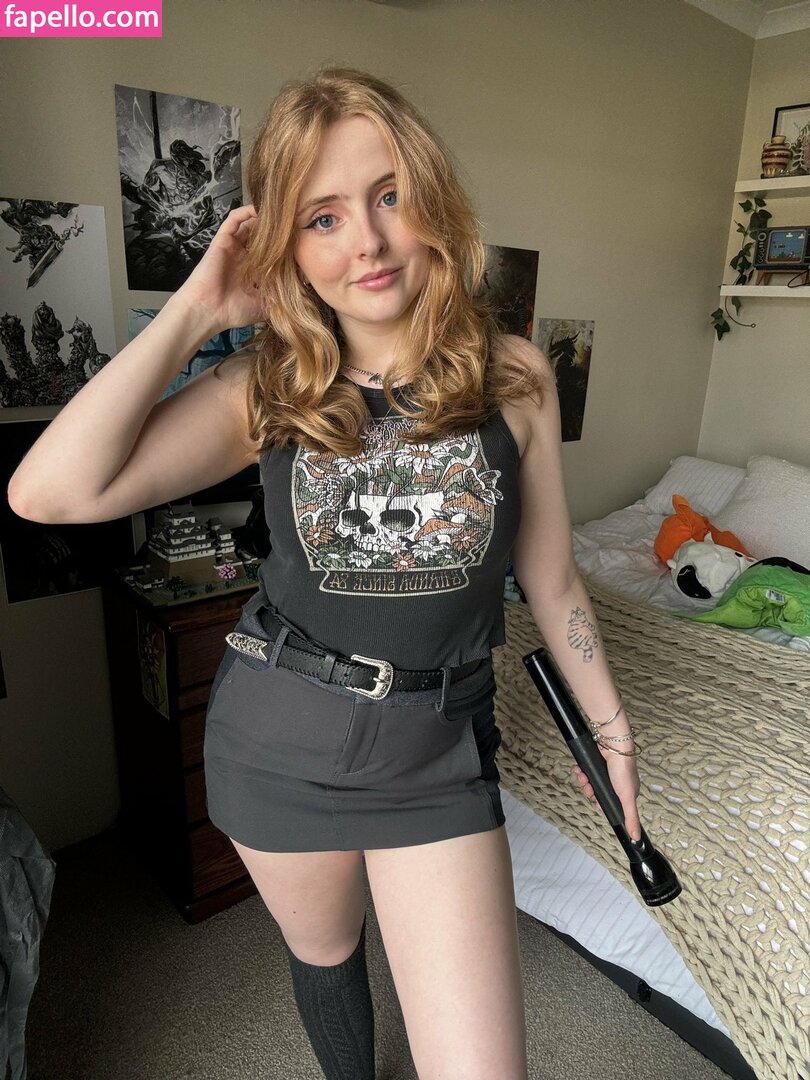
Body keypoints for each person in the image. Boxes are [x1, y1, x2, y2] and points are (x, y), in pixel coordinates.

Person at [8, 67, 642, 1080]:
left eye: (390, 195)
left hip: (438, 752)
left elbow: (554, 581)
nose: (369, 242)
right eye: (324, 218)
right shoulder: (267, 386)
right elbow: (47, 493)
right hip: (279, 739)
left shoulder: (516, 375)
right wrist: (196, 306)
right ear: (288, 246)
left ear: (433, 198)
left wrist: (612, 731)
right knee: (327, 953)